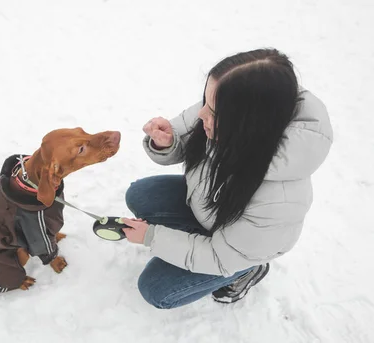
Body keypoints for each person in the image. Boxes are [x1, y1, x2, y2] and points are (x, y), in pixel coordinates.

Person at [121, 48, 333, 309]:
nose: (200, 116)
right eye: (204, 103)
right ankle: (199, 235)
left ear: (250, 124)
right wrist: (167, 142)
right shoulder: (229, 106)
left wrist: (153, 237)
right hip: (211, 207)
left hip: (235, 249)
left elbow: (220, 257)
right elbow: (184, 132)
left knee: (156, 289)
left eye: (212, 112)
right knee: (140, 196)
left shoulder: (279, 203)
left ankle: (247, 271)